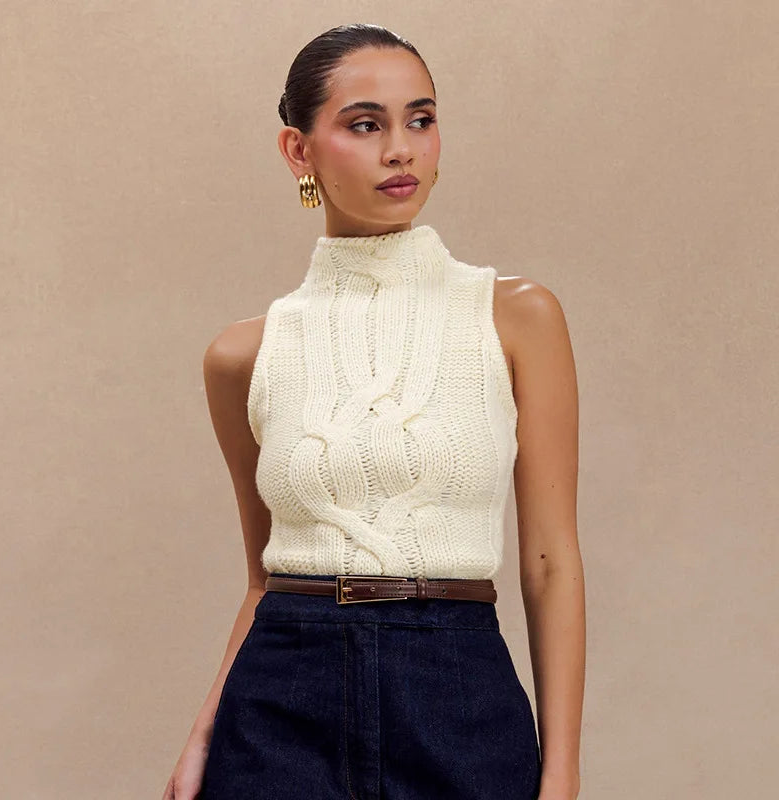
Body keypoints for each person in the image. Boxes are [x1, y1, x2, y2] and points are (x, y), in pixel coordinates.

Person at [163, 22, 584, 800]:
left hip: (457, 694)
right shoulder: (243, 354)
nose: (402, 148)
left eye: (420, 120)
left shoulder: (516, 315)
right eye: (366, 124)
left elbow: (551, 562)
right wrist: (203, 735)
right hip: (280, 702)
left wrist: (560, 774)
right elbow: (262, 577)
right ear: (300, 152)